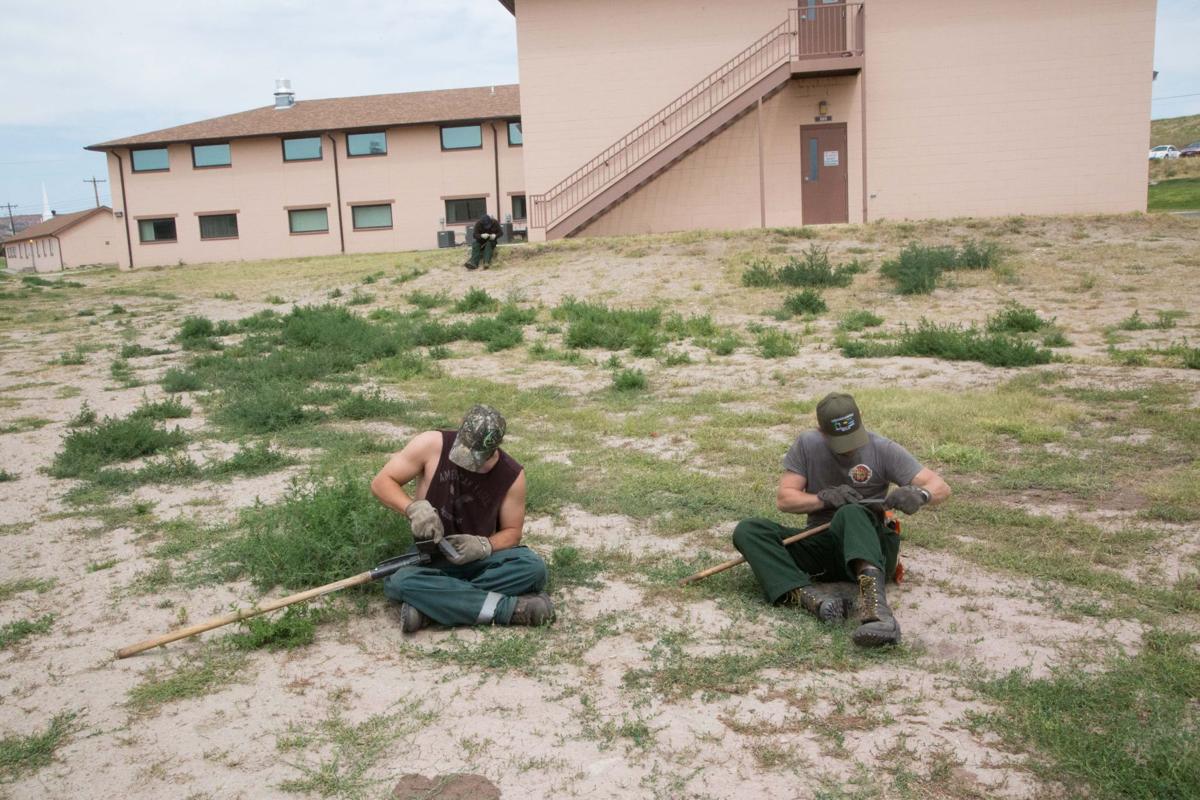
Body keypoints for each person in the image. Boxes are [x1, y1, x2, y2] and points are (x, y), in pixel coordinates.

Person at [732, 392, 950, 647]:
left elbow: (941, 487)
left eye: (853, 437)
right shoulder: (807, 444)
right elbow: (785, 500)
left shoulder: (883, 449)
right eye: (840, 440)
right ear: (821, 432)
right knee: (749, 530)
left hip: (872, 548)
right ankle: (814, 600)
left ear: (861, 421)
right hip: (822, 543)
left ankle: (877, 613)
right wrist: (824, 499)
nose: (849, 447)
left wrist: (921, 494)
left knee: (851, 512)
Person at [370, 404, 554, 632]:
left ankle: (434, 607)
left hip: (478, 562)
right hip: (432, 559)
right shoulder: (431, 444)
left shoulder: (511, 475)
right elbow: (382, 482)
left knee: (533, 568)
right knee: (399, 580)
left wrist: (484, 545)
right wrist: (413, 508)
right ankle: (511, 609)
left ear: (494, 449)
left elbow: (512, 532)